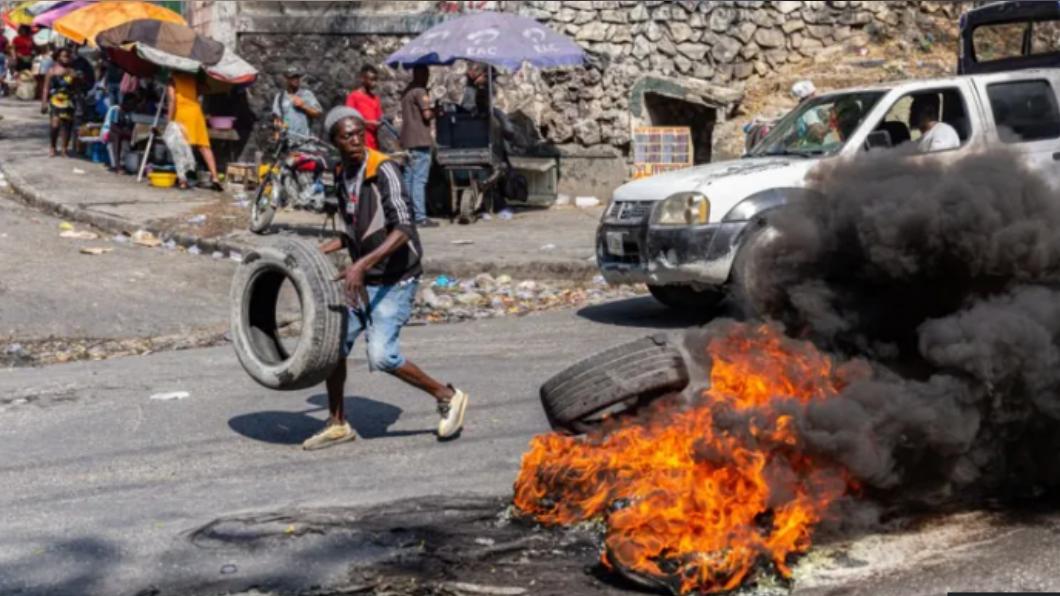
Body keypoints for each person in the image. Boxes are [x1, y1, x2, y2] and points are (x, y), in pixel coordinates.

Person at [303, 105, 469, 451]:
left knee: (381, 356)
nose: (356, 140)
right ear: (334, 141)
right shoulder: (341, 172)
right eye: (346, 136)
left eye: (359, 133)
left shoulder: (384, 169)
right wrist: (319, 252)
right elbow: (354, 231)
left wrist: (361, 265)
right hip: (363, 279)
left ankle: (448, 395)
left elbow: (404, 228)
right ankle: (337, 423)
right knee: (333, 347)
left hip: (395, 278)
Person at [166, 72, 223, 191]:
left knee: (180, 148)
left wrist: (169, 119)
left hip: (182, 115)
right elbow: (204, 89)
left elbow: (172, 100)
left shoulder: (173, 80)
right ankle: (215, 178)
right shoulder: (192, 77)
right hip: (196, 114)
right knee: (204, 146)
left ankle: (183, 181)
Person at [399, 65, 436, 227]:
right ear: (422, 74)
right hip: (420, 140)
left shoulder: (407, 91)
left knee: (408, 178)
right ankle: (420, 217)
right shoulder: (421, 91)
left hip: (407, 141)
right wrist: (437, 110)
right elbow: (426, 115)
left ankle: (407, 214)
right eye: (426, 73)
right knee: (420, 179)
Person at [40, 48, 80, 157]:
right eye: (63, 56)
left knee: (67, 125)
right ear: (58, 57)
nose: (66, 58)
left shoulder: (72, 71)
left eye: (68, 56)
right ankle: (53, 147)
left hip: (69, 100)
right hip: (55, 100)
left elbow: (77, 87)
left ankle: (64, 148)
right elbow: (45, 88)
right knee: (55, 125)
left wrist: (75, 78)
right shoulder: (52, 71)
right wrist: (44, 102)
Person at [271, 66, 321, 140]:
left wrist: (303, 106)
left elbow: (318, 113)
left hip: (304, 141)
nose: (296, 80)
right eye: (292, 77)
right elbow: (277, 119)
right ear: (286, 79)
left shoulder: (306, 94)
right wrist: (277, 133)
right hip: (286, 142)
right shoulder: (279, 97)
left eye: (297, 77)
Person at [345, 64, 383, 150]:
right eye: (372, 80)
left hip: (374, 142)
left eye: (376, 80)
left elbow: (379, 117)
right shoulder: (353, 96)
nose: (374, 83)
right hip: (359, 141)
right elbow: (349, 119)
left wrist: (381, 123)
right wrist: (368, 123)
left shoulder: (375, 98)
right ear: (363, 78)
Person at [102, 93, 136, 174]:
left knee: (127, 141)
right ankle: (117, 165)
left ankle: (125, 164)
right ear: (125, 103)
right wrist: (128, 133)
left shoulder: (130, 112)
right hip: (110, 132)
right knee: (116, 138)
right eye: (131, 103)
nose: (133, 105)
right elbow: (113, 127)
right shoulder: (116, 110)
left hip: (122, 132)